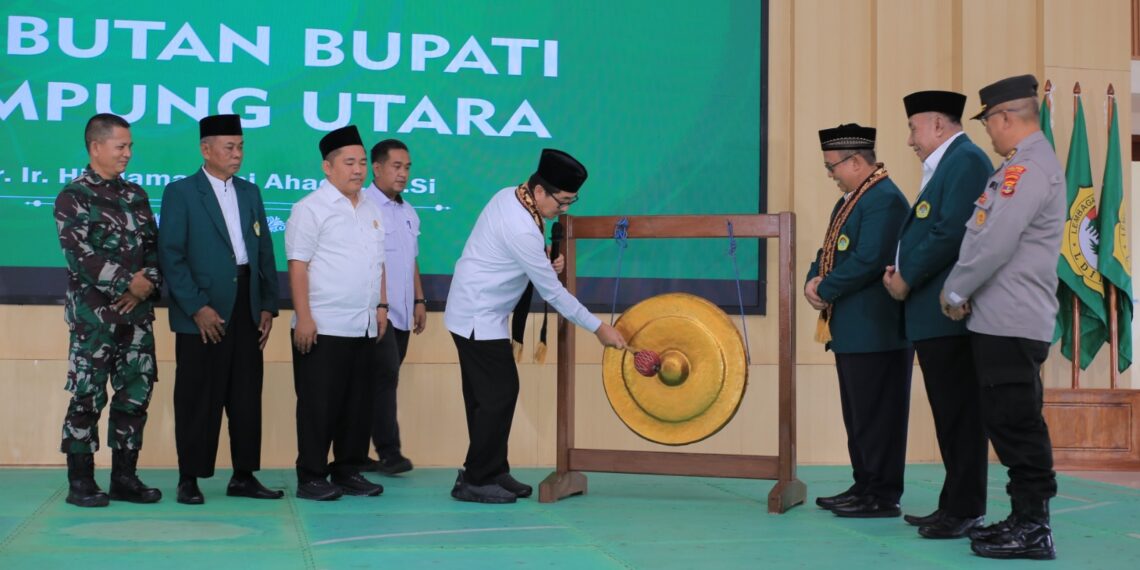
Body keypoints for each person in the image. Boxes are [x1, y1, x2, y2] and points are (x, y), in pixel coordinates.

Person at [444, 148, 626, 504]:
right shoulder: (519, 224)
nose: (566, 209)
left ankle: (492, 470)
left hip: (483, 312)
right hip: (476, 315)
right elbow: (553, 295)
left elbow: (517, 257)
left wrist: (545, 260)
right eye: (563, 201)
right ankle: (475, 479)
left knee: (488, 398)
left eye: (572, 201)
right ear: (540, 190)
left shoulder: (513, 197)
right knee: (497, 396)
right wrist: (599, 328)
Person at [941, 74, 1063, 560]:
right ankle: (1023, 518)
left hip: (1011, 320)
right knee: (1008, 420)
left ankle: (1034, 527)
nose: (989, 131)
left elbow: (994, 240)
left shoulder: (1025, 171)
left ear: (1006, 117)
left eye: (989, 120)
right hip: (1001, 319)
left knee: (1017, 424)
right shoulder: (1020, 166)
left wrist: (955, 289)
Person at [158, 114, 283, 505]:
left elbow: (264, 252)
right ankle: (189, 478)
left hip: (246, 303)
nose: (237, 154)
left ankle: (244, 475)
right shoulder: (181, 192)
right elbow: (171, 255)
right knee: (198, 396)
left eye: (241, 146)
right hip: (203, 308)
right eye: (229, 147)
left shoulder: (250, 192)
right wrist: (197, 307)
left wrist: (267, 305)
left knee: (246, 395)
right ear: (205, 149)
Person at [884, 92, 992, 538]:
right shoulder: (948, 164)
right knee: (949, 415)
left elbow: (952, 231)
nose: (909, 139)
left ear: (939, 125)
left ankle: (965, 509)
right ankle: (954, 504)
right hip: (932, 315)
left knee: (960, 414)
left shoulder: (965, 160)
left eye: (913, 127)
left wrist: (907, 275)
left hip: (947, 312)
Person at [54, 113, 163, 507]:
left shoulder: (136, 195)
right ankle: (80, 480)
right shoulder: (74, 196)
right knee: (87, 396)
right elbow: (79, 255)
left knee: (135, 395)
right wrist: (125, 282)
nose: (128, 153)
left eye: (130, 146)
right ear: (96, 147)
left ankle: (124, 477)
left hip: (136, 318)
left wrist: (145, 283)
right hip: (93, 320)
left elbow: (155, 248)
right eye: (121, 146)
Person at [805, 124, 912, 518]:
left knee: (879, 416)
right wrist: (812, 281)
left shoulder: (883, 199)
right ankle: (865, 483)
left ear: (855, 161)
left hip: (876, 329)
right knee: (859, 415)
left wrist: (826, 288)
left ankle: (883, 494)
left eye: (832, 166)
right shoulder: (853, 199)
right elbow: (828, 248)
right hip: (852, 329)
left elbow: (868, 261)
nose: (830, 173)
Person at [285, 125, 387, 501]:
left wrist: (381, 306)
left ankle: (347, 470)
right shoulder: (309, 209)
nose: (358, 169)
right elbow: (298, 266)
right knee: (318, 407)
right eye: (349, 162)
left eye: (362, 162)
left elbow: (378, 263)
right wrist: (305, 317)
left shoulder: (372, 209)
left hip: (362, 325)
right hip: (323, 326)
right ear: (328, 167)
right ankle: (311, 476)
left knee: (357, 406)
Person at [361, 139, 424, 475]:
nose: (403, 174)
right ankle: (390, 452)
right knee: (384, 377)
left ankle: (359, 452)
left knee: (381, 381)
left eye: (408, 167)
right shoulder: (364, 206)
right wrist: (380, 304)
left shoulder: (408, 211)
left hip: (403, 313)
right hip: (376, 313)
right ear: (378, 167)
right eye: (397, 166)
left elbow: (411, 259)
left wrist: (419, 299)